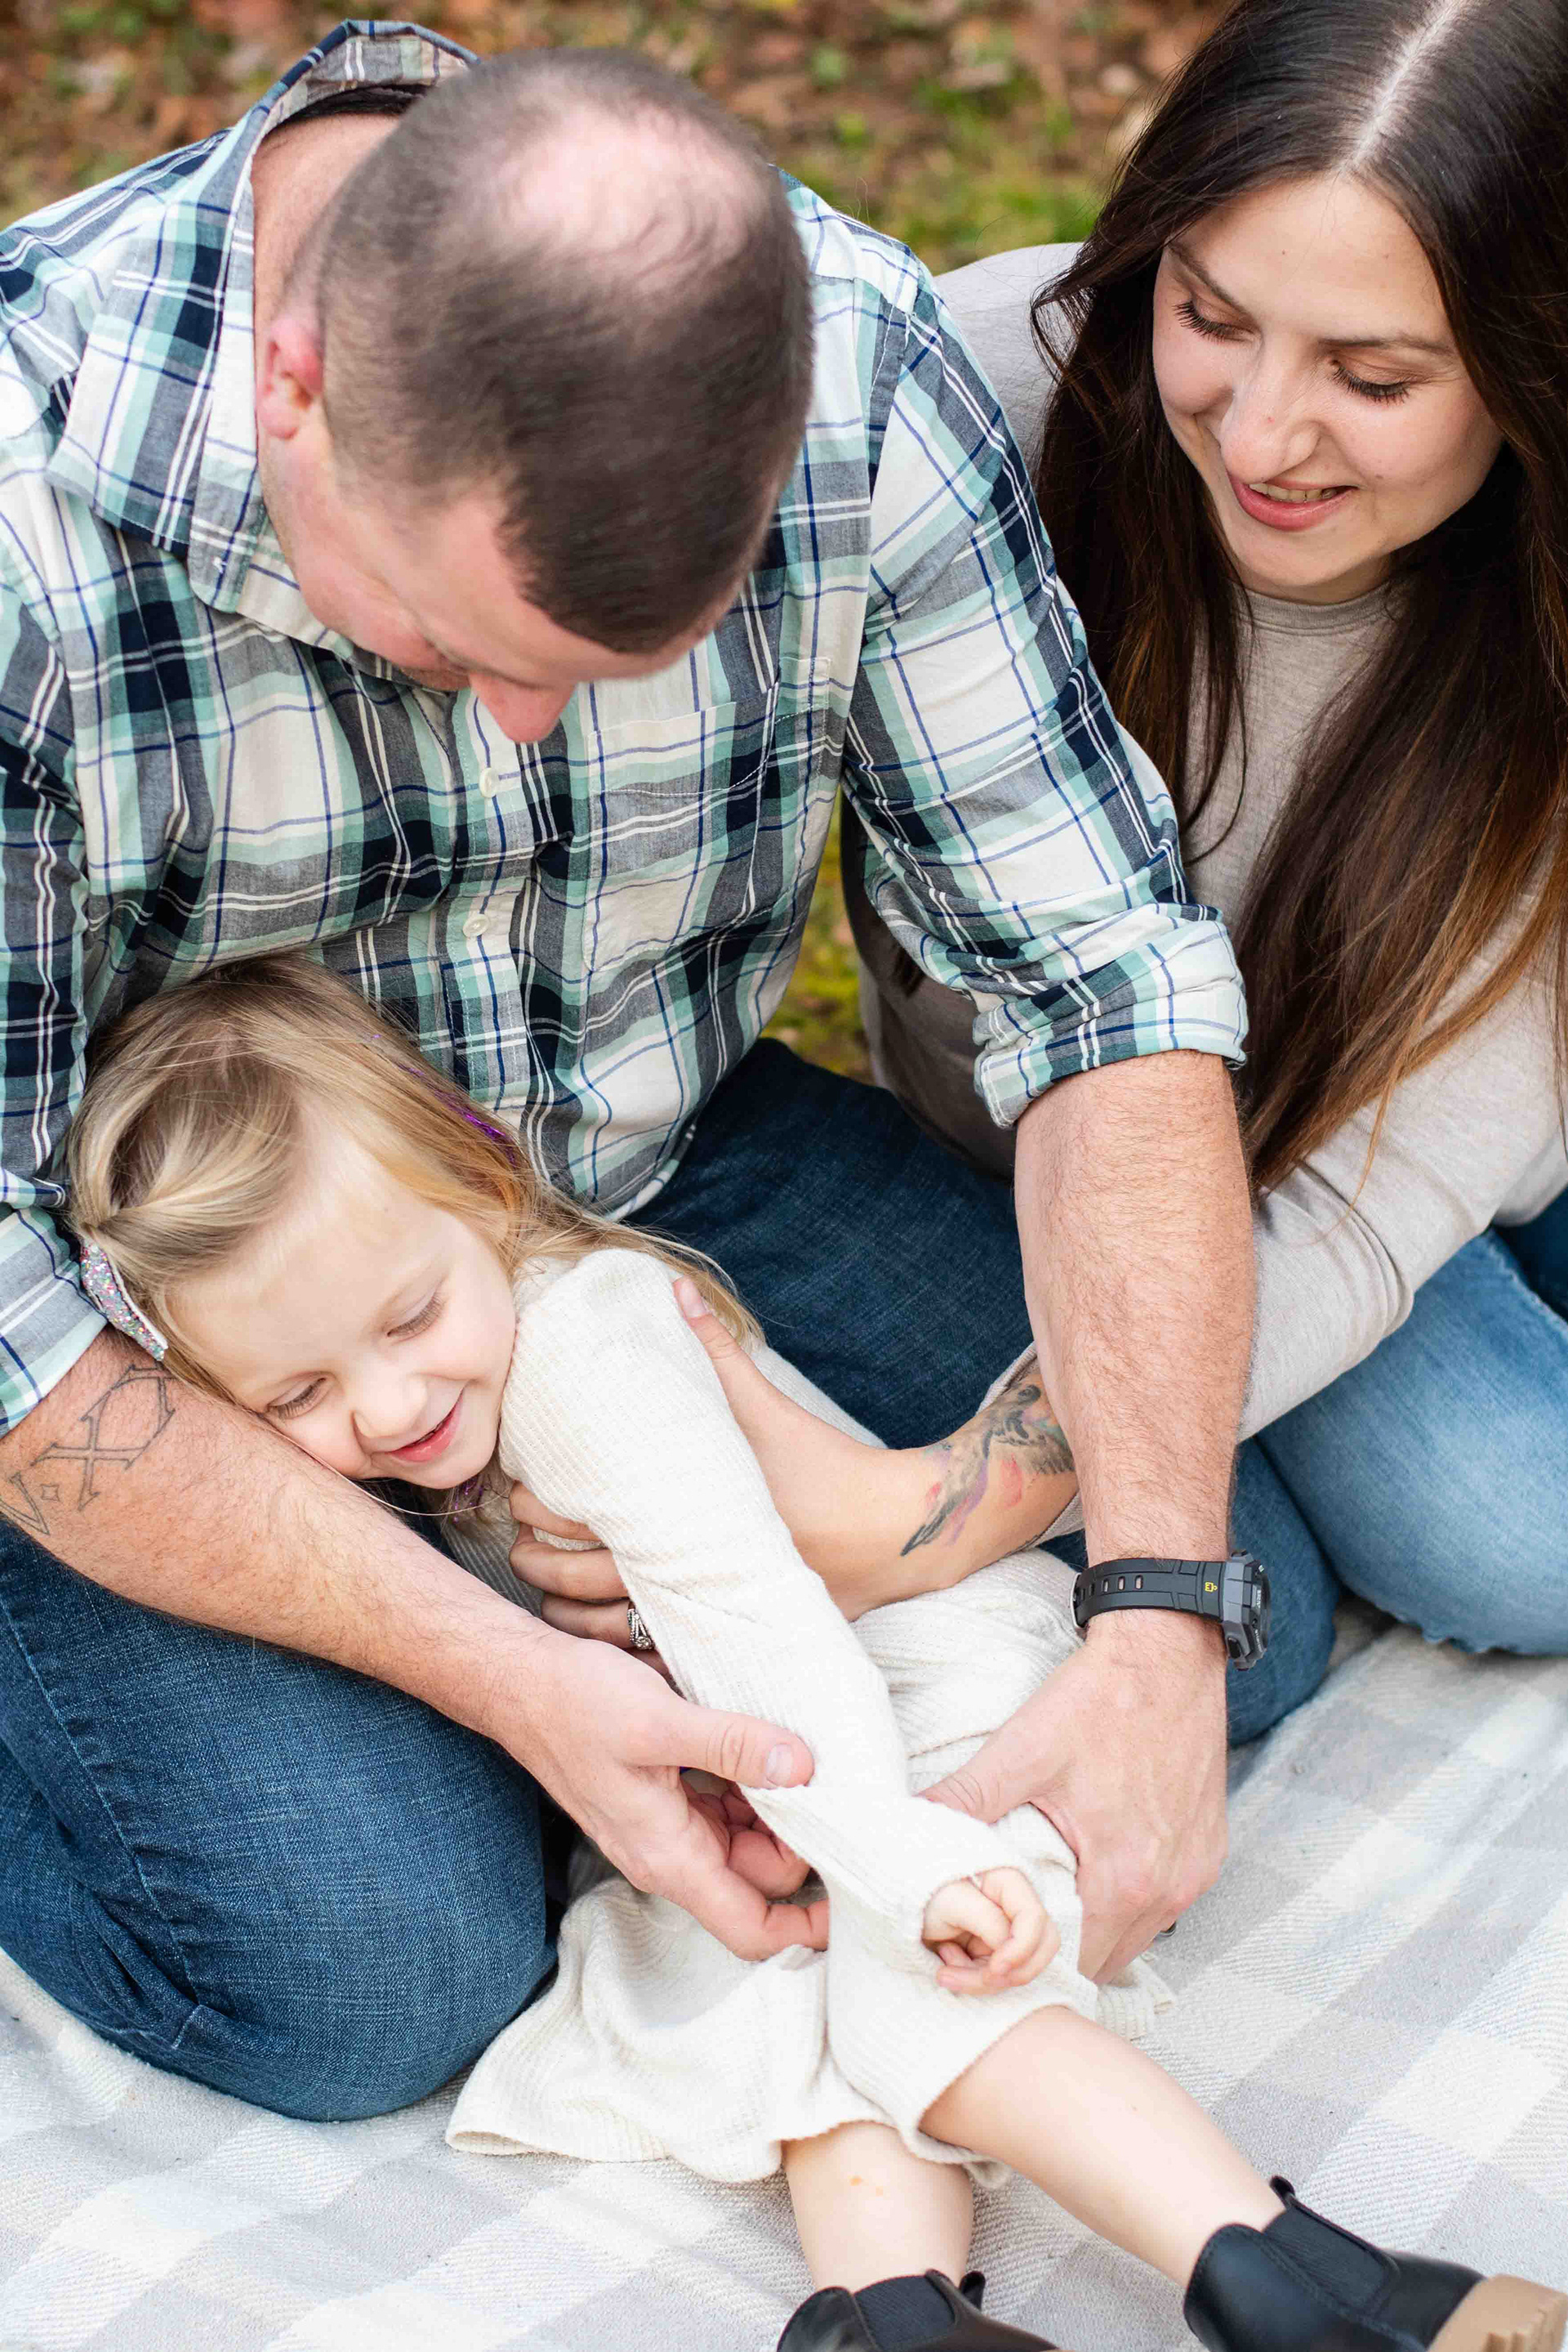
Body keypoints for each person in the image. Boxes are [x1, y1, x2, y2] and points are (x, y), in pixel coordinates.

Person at [0, 28, 1250, 2118]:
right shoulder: (25, 519)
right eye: (438, 642)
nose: (509, 740)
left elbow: (1105, 979)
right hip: (210, 1331)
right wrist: (515, 1675)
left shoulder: (856, 370)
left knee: (1208, 1609)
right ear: (291, 386)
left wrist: (1150, 1612)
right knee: (376, 1966)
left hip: (646, 1160)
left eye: (603, 682)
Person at [61, 956, 1566, 2352]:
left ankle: (1277, 2275)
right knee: (793, 1978)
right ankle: (893, 2313)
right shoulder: (442, 1381)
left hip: (896, 1688)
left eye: (409, 1317)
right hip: (758, 1749)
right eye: (302, 1392)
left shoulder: (584, 1355)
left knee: (929, 1971)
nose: (390, 1411)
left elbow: (776, 1648)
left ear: (483, 1184)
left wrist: (902, 1862)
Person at [528, 0, 1568, 1753]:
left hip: (1382, 1142)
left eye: (1377, 379)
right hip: (1069, 1153)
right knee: (1468, 1531)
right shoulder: (982, 389)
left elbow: (1361, 1216)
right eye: (1211, 316)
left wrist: (925, 1515)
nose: (1260, 433)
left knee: (1518, 1535)